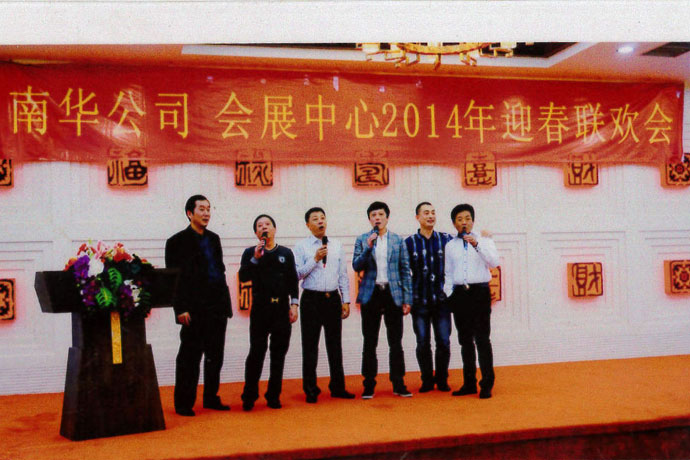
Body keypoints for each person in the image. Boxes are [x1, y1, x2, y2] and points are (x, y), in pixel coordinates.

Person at [165, 194, 233, 417]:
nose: (206, 213)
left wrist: (225, 304)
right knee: (189, 357)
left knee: (215, 356)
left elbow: (219, 271)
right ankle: (184, 403)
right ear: (189, 213)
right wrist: (180, 308)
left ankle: (211, 397)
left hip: (217, 306)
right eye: (201, 209)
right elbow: (174, 280)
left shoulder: (214, 238)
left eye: (208, 209)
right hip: (193, 309)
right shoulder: (176, 242)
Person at [293, 207, 355, 403]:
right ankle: (311, 389)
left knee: (335, 345)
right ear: (308, 225)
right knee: (310, 346)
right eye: (315, 219)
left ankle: (338, 387)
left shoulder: (336, 245)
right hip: (311, 299)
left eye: (322, 218)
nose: (320, 221)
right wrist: (315, 259)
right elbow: (297, 274)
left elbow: (342, 274)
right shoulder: (301, 246)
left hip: (332, 299)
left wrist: (346, 300)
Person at [353, 201, 413, 399]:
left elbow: (405, 270)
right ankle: (369, 384)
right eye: (373, 215)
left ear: (387, 217)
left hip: (392, 293)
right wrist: (368, 248)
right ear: (369, 219)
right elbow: (356, 266)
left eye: (380, 214)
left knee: (395, 341)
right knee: (369, 341)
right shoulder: (362, 239)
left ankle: (399, 383)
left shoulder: (397, 240)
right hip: (371, 294)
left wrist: (407, 299)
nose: (377, 218)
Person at [239, 214, 299, 411]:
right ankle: (249, 396)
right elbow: (243, 277)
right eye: (259, 225)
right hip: (260, 310)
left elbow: (292, 280)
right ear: (256, 233)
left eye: (267, 224)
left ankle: (273, 396)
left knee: (278, 354)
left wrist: (294, 305)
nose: (264, 227)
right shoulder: (250, 252)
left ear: (274, 229)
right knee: (256, 353)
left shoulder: (285, 253)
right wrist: (255, 259)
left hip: (281, 309)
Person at [444, 204, 500, 399]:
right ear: (454, 223)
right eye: (459, 219)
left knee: (482, 339)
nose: (464, 222)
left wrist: (477, 245)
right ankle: (469, 383)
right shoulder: (450, 245)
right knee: (465, 341)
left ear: (473, 221)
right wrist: (449, 294)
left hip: (479, 293)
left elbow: (494, 262)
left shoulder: (484, 240)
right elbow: (448, 273)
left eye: (467, 218)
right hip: (460, 294)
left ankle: (486, 383)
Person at [404, 202, 453, 393]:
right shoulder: (409, 243)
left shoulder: (446, 240)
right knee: (422, 342)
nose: (430, 216)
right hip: (419, 301)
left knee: (444, 342)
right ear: (417, 217)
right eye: (426, 213)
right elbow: (404, 273)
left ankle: (442, 379)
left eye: (433, 212)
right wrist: (407, 299)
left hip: (442, 301)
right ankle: (426, 380)